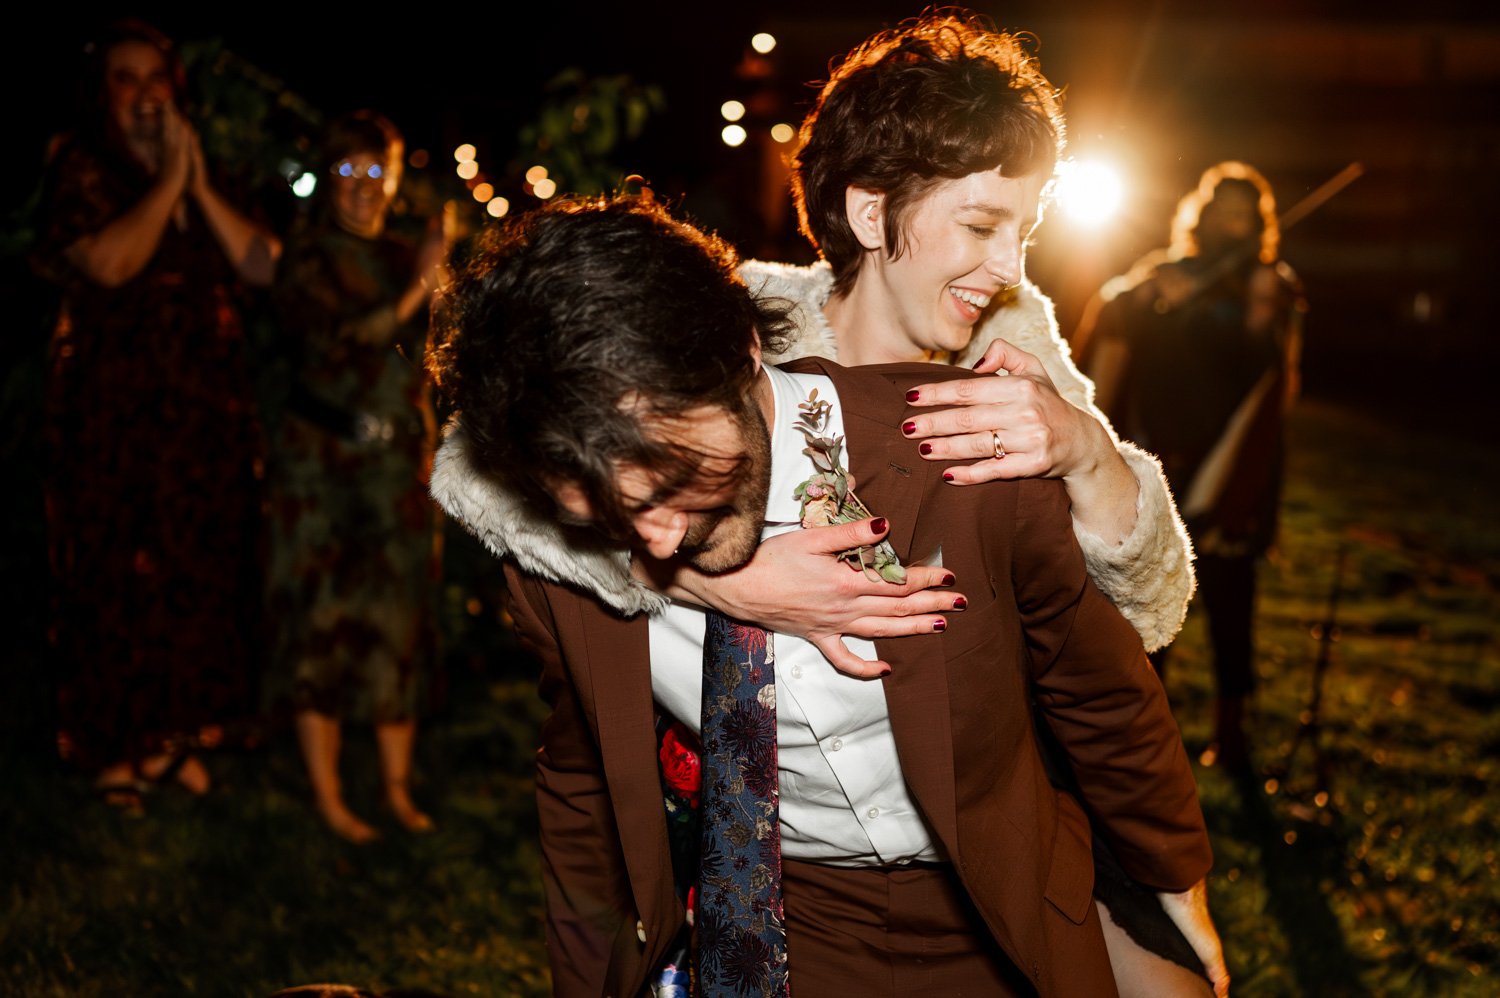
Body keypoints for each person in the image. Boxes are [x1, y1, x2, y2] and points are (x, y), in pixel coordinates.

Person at [433, 13, 1208, 993]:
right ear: (872, 213)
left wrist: (1091, 457)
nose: (1010, 266)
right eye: (979, 224)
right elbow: (492, 450)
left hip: (996, 854)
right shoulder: (692, 333)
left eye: (1026, 227)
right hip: (780, 905)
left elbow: (1118, 645)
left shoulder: (997, 400)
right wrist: (715, 577)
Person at [34, 19, 280, 806]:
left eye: (154, 78)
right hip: (113, 416)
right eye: (123, 78)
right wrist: (169, 184)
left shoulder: (198, 168)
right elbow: (108, 265)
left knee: (192, 567)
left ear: (176, 89)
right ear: (103, 95)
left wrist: (195, 181)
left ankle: (173, 738)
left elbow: (260, 265)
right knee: (113, 574)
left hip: (202, 414)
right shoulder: (81, 166)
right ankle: (115, 751)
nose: (143, 94)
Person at [1084, 161, 1305, 774]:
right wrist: (1153, 298)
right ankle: (1147, 738)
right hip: (1166, 456)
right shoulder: (1164, 275)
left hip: (1232, 465)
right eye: (1223, 212)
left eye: (1245, 216)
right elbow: (1114, 323)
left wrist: (1264, 314)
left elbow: (1280, 385)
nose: (1233, 226)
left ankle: (1231, 738)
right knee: (1153, 602)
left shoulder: (1270, 286)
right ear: (1201, 217)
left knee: (1234, 600)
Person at [266, 111, 449, 843]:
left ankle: (398, 792)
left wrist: (431, 439)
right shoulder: (307, 258)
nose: (362, 188)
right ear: (327, 180)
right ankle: (331, 795)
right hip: (322, 470)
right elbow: (338, 346)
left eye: (376, 172)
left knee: (398, 622)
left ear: (395, 178)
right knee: (325, 624)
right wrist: (415, 292)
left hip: (395, 468)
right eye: (347, 172)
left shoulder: (407, 253)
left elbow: (419, 370)